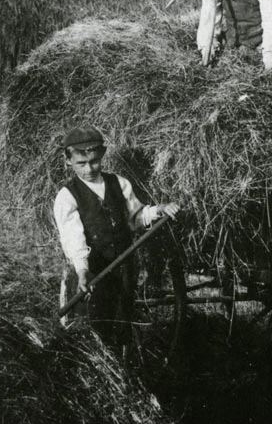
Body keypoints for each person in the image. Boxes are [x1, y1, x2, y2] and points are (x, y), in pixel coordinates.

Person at [54, 125, 180, 355]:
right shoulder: (67, 196)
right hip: (94, 271)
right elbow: (74, 239)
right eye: (81, 164)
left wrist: (159, 210)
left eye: (94, 161)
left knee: (123, 316)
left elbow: (137, 217)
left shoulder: (119, 184)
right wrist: (83, 271)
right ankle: (100, 366)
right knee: (97, 320)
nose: (89, 168)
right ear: (68, 161)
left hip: (124, 265)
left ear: (102, 155)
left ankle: (124, 363)